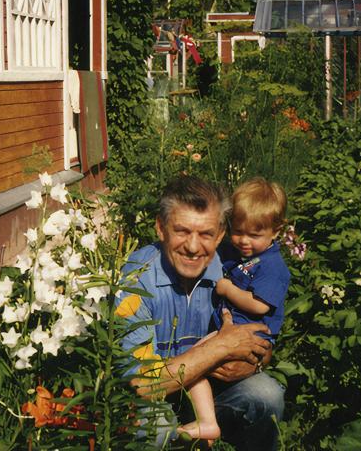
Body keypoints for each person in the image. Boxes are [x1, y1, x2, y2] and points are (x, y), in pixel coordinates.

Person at [116, 175, 285, 449]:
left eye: (206, 234)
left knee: (267, 395)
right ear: (161, 228)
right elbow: (142, 384)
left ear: (220, 235)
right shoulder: (136, 280)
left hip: (209, 392)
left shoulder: (229, 269)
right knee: (154, 429)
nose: (193, 247)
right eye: (182, 231)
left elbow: (264, 337)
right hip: (153, 400)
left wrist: (255, 361)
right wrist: (220, 348)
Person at [177, 178, 291, 442]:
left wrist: (228, 290)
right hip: (229, 331)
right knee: (193, 363)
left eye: (254, 235)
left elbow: (260, 304)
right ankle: (203, 421)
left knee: (192, 361)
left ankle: (206, 423)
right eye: (237, 231)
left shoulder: (272, 266)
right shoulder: (232, 251)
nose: (243, 241)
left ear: (276, 231)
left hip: (249, 337)